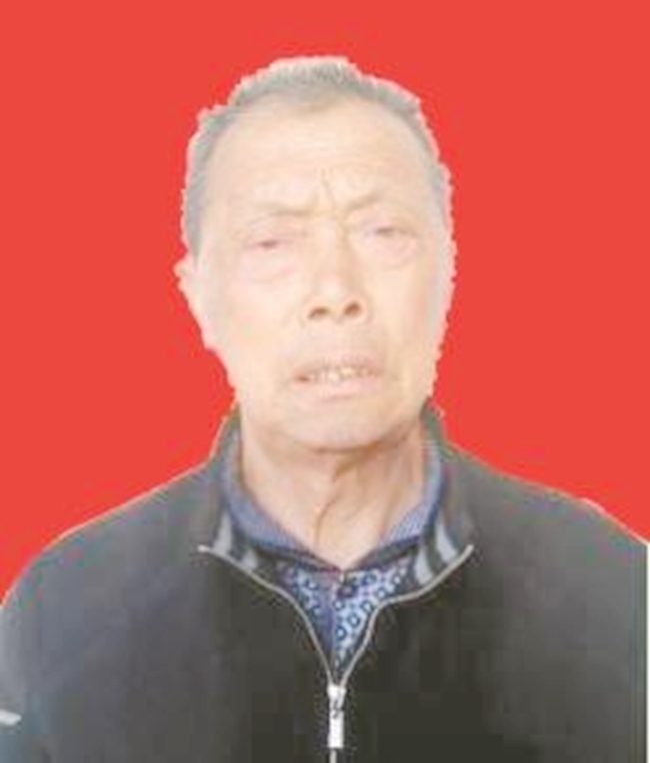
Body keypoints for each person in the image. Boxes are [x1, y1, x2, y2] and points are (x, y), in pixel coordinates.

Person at [0, 56, 645, 762]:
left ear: (449, 269)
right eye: (272, 241)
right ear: (197, 295)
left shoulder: (612, 594)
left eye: (383, 232)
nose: (335, 290)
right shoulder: (63, 610)